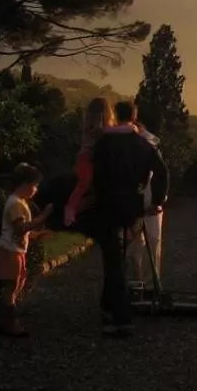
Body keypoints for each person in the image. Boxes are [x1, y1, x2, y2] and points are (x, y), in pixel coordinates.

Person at [91, 104, 169, 336]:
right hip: (133, 206)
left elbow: (95, 174)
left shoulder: (103, 143)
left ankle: (121, 316)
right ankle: (108, 305)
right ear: (134, 117)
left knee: (113, 258)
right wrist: (156, 200)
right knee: (118, 255)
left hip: (107, 206)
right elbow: (162, 171)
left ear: (116, 116)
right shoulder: (142, 144)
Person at [0, 163, 53, 337]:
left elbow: (20, 231)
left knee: (16, 284)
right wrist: (44, 216)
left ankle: (7, 320)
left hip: (15, 250)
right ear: (25, 184)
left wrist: (36, 235)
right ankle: (11, 324)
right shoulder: (15, 203)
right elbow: (20, 228)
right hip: (9, 250)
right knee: (11, 286)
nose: (36, 189)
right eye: (35, 185)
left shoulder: (19, 203)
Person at [65, 97, 113, 231]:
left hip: (85, 158)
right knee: (84, 184)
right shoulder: (96, 128)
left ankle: (78, 208)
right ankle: (71, 208)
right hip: (86, 158)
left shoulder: (89, 126)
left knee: (90, 187)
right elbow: (106, 132)